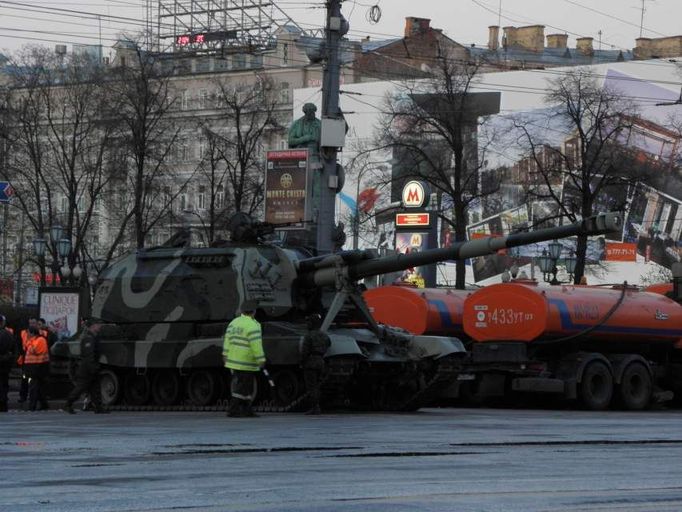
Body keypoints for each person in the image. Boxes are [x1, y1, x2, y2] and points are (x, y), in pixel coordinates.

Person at [223, 300, 265, 418]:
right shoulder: (253, 325)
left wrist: (225, 354)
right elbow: (256, 344)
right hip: (245, 361)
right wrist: (261, 359)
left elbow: (227, 340)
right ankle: (233, 409)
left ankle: (247, 410)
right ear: (254, 311)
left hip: (233, 361)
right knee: (243, 387)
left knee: (246, 387)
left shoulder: (234, 323)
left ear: (242, 311)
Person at [64, 318, 106, 414]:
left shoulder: (94, 337)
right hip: (87, 368)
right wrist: (92, 368)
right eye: (97, 324)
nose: (99, 326)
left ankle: (99, 407)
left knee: (95, 388)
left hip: (91, 366)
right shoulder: (88, 339)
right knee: (80, 388)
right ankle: (68, 403)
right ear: (92, 326)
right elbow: (88, 355)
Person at [300, 314, 331, 415]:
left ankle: (315, 407)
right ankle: (318, 405)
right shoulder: (324, 335)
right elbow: (328, 344)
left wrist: (302, 362)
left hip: (310, 362)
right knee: (317, 385)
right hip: (321, 361)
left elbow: (304, 351)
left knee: (311, 386)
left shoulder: (309, 336)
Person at [23, 325, 49, 411]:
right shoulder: (34, 340)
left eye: (28, 332)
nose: (27, 334)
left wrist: (29, 343)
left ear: (32, 333)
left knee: (33, 387)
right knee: (39, 387)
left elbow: (35, 350)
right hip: (34, 367)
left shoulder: (40, 340)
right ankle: (43, 404)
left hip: (38, 367)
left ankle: (32, 406)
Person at [18, 317, 40, 404]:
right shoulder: (23, 333)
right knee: (24, 379)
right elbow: (19, 344)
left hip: (36, 362)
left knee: (34, 381)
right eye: (30, 323)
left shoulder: (41, 333)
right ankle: (23, 396)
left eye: (33, 323)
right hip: (26, 361)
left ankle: (34, 398)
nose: (32, 325)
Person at [0, 315, 16, 412]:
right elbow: (14, 350)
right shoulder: (9, 334)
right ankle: (3, 403)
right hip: (6, 364)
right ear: (3, 323)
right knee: (4, 384)